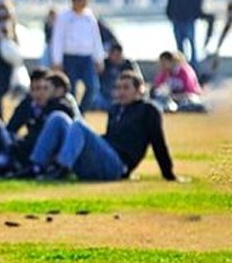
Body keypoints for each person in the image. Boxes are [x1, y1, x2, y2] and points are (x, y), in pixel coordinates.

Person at [23, 70, 178, 182]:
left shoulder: (148, 110)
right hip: (103, 158)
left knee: (78, 125)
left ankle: (60, 169)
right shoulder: (116, 109)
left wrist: (168, 174)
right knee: (58, 118)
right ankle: (36, 167)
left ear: (139, 90)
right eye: (118, 88)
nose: (120, 92)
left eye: (126, 87)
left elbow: (158, 142)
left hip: (117, 166)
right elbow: (110, 138)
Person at [50, 0, 105, 113]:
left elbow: (96, 38)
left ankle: (81, 112)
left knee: (92, 87)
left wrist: (99, 58)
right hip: (70, 57)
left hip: (86, 57)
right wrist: (57, 60)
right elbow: (57, 39)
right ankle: (72, 113)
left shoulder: (89, 17)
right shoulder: (64, 16)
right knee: (72, 89)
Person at [165, 0, 219, 75]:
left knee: (192, 46)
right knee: (180, 48)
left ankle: (194, 71)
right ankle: (180, 69)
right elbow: (170, 2)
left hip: (189, 20)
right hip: (177, 21)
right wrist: (170, 16)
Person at [96, 43, 142, 112]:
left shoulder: (129, 65)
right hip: (106, 95)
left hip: (126, 96)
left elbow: (139, 81)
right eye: (114, 55)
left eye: (118, 55)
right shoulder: (104, 64)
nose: (116, 58)